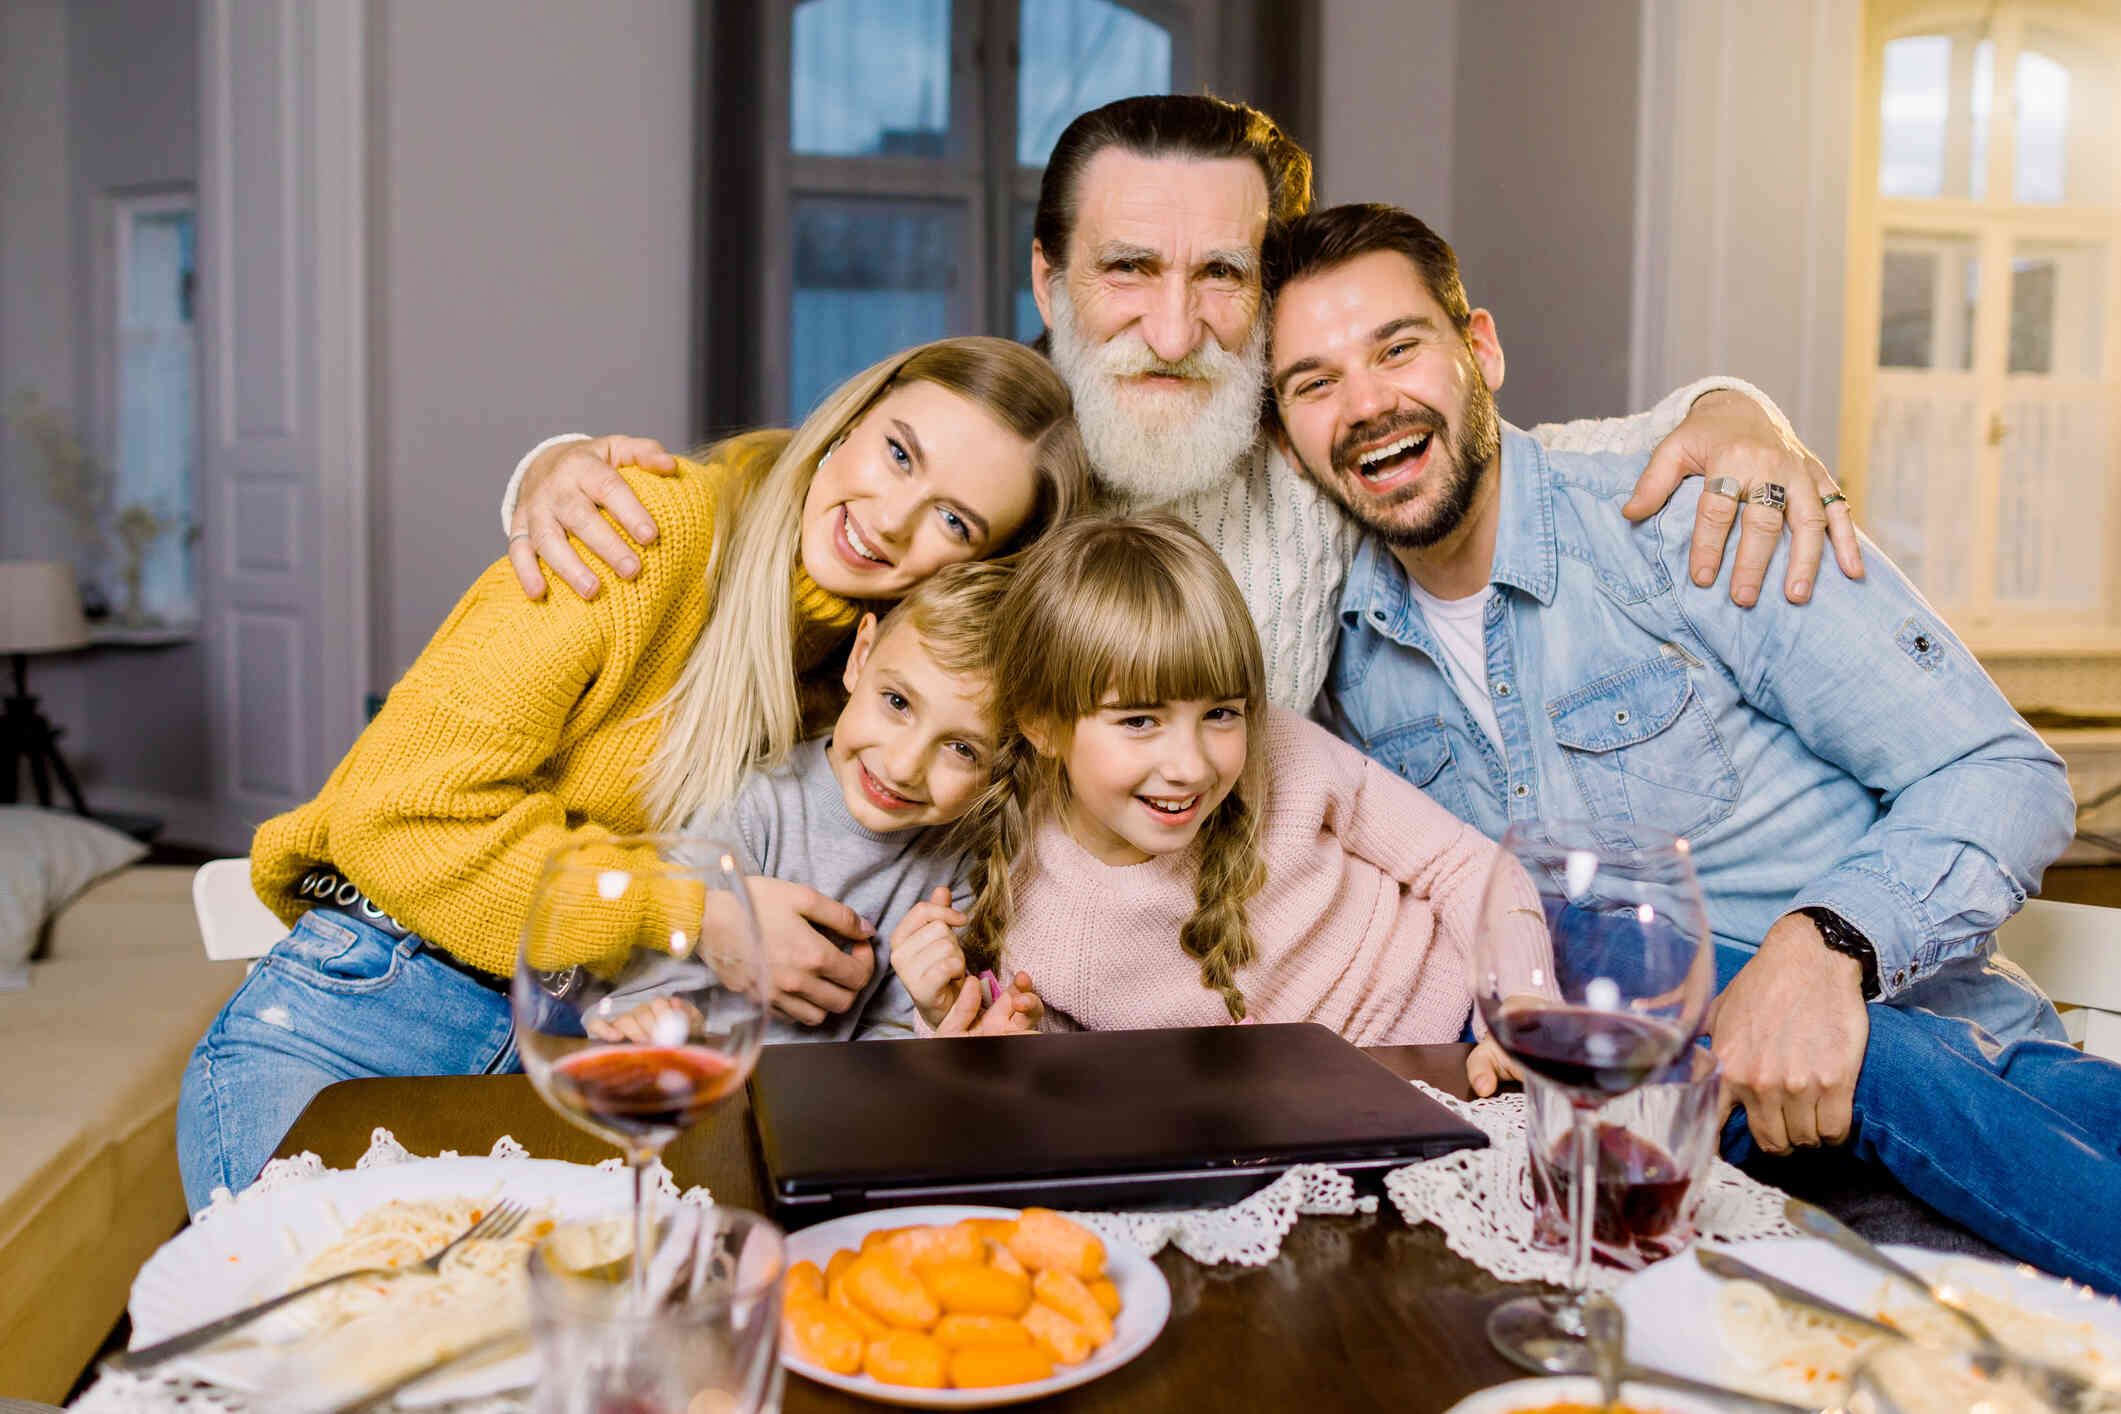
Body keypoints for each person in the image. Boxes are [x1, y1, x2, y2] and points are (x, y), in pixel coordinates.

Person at [1262, 201, 2121, 1293]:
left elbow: (2001, 773)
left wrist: (1822, 948)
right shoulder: (1340, 659)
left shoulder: (1693, 520)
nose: (1367, 405)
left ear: (1480, 347)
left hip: (1947, 1084)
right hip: (1687, 1148)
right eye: (1313, 381)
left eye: (1397, 347)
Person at [500, 96, 1860, 720]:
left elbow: (1531, 456)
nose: (1171, 327)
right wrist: (553, 464)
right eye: (1128, 269)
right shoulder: (978, 444)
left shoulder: (1324, 462)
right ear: (1045, 277)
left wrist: (1736, 407)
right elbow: (760, 491)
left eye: (1223, 275)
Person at [175, 338, 1089, 1210]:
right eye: (897, 453)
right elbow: (397, 817)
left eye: (954, 519)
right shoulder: (645, 531)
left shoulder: (871, 704)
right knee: (325, 1331)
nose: (892, 518)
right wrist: (698, 914)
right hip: (367, 1014)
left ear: (984, 570)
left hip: (582, 1047)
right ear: (849, 421)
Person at [887, 515, 1552, 1087]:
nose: (1190, 766)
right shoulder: (1029, 913)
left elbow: (1467, 867)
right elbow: (1053, 1090)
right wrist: (947, 1015)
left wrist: (1521, 1001)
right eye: (1139, 721)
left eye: (1220, 713)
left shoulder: (1281, 751)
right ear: (1042, 724)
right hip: (1301, 1124)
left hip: (1464, 1022)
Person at [695, 559, 1044, 1045]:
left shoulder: (957, 873)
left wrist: (940, 1016)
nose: (903, 766)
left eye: (962, 749)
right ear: (860, 655)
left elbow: (891, 1042)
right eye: (897, 702)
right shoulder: (751, 805)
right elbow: (651, 961)